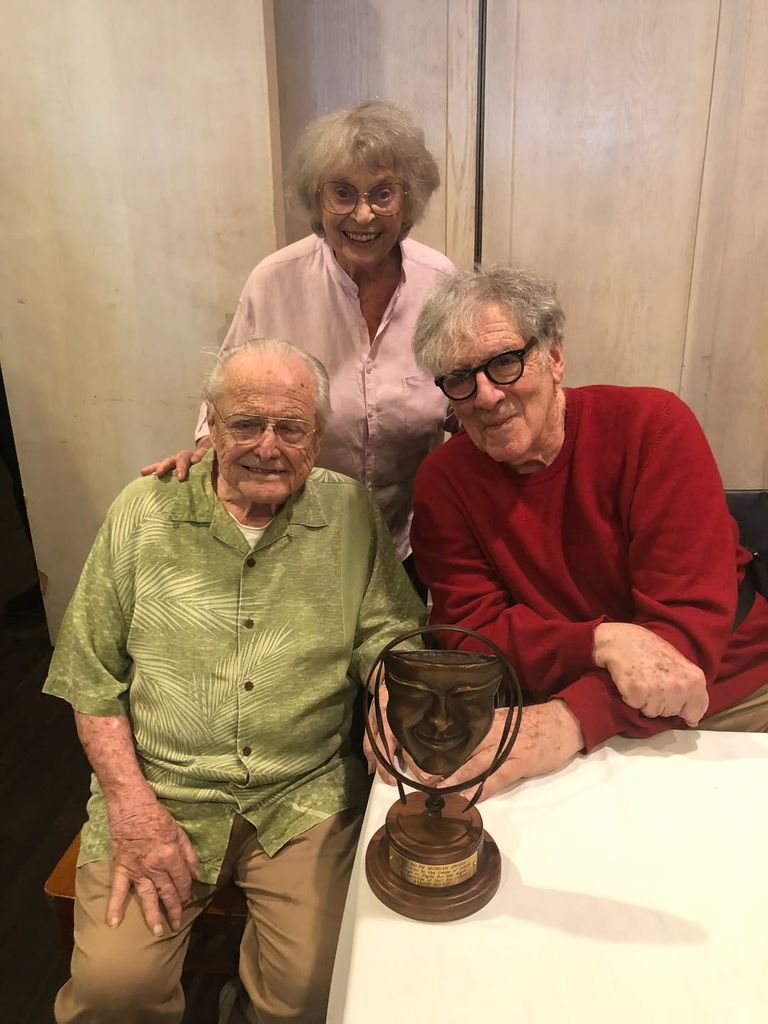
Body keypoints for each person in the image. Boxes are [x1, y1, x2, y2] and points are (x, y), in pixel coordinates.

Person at [44, 338, 425, 1024]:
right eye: (246, 424)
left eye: (291, 427)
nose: (267, 447)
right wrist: (132, 808)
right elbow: (90, 676)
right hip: (163, 791)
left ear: (319, 433)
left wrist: (390, 692)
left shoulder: (347, 513)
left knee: (316, 993)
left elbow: (388, 634)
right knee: (113, 990)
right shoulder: (145, 511)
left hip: (299, 795)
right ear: (211, 425)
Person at [404, 265, 768, 797]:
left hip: (724, 694)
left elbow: (685, 638)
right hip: (557, 699)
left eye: (505, 362)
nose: (484, 396)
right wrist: (598, 639)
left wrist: (572, 719)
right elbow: (469, 632)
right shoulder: (444, 481)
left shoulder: (653, 427)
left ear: (553, 357)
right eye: (460, 379)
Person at [143, 100, 454, 585]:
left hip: (405, 535)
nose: (364, 214)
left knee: (390, 650)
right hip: (297, 529)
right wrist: (205, 450)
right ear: (315, 201)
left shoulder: (439, 282)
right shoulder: (275, 280)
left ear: (408, 200)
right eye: (343, 194)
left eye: (383, 193)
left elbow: (462, 395)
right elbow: (225, 390)